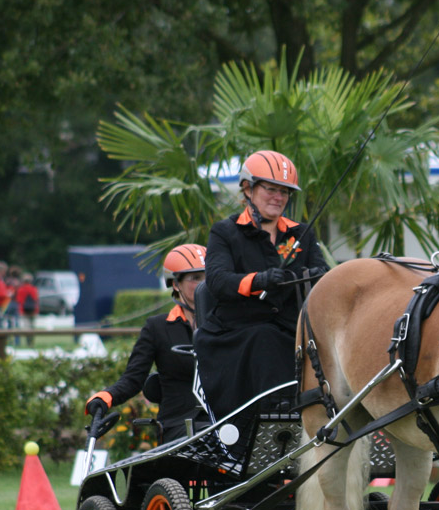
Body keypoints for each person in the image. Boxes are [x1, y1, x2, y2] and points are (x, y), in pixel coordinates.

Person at [195, 150, 328, 421]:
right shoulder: (225, 231)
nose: (279, 198)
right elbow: (218, 281)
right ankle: (276, 414)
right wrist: (259, 280)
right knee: (265, 337)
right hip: (238, 331)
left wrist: (316, 274)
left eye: (285, 192)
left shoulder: (301, 233)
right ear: (248, 188)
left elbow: (323, 271)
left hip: (292, 329)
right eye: (271, 189)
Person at [84, 244, 207, 443]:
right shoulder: (157, 327)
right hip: (179, 425)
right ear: (176, 284)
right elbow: (133, 379)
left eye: (208, 277)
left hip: (226, 421)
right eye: (195, 278)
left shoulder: (228, 324)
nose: (204, 284)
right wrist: (105, 397)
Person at [15, 273, 40, 346]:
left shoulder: (21, 290)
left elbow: (19, 301)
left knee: (27, 327)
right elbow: (36, 300)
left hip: (24, 311)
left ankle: (28, 342)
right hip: (33, 311)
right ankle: (31, 342)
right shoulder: (34, 289)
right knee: (32, 327)